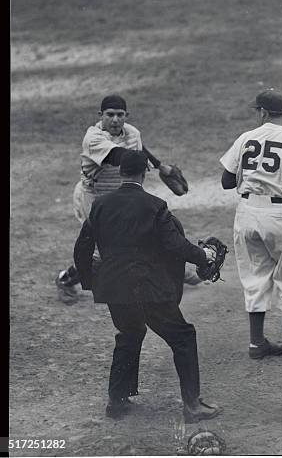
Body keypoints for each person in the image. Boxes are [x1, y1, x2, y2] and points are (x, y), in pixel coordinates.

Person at [73, 150, 222, 422]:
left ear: (120, 172)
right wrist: (204, 256)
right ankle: (192, 406)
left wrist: (91, 283)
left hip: (115, 288)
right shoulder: (155, 205)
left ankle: (116, 402)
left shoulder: (101, 204)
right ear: (145, 173)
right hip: (148, 288)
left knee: (129, 334)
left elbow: (82, 248)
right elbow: (175, 245)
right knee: (183, 337)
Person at [57, 94, 201, 304]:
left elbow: (139, 149)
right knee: (102, 253)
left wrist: (160, 165)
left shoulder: (133, 132)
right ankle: (66, 279)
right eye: (110, 115)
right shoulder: (93, 138)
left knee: (146, 232)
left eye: (120, 115)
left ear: (126, 115)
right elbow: (120, 157)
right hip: (94, 197)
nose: (115, 120)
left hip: (121, 195)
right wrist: (154, 165)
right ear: (101, 116)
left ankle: (175, 273)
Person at [219, 89, 282, 360]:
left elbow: (227, 182)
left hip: (248, 213)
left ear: (263, 112)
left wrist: (254, 175)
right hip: (281, 216)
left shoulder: (245, 139)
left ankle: (256, 343)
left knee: (254, 276)